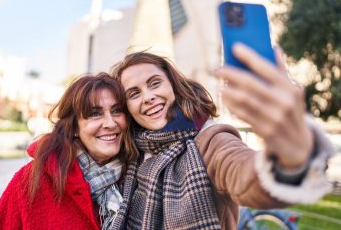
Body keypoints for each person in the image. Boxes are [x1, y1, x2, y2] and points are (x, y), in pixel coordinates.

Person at [109, 43, 334, 230]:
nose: (148, 97)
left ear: (174, 86)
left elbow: (245, 175)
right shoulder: (131, 154)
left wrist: (289, 157)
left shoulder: (210, 140)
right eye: (134, 93)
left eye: (154, 83)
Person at [0, 73, 138, 230]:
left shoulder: (138, 177)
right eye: (95, 113)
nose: (110, 123)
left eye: (116, 111)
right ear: (73, 128)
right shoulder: (30, 182)